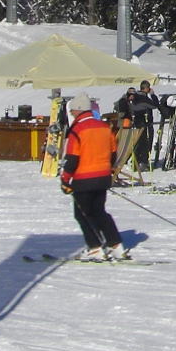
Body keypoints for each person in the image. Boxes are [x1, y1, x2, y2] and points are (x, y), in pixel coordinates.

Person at [60, 93, 129, 260]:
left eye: (73, 110)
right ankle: (116, 244)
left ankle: (95, 247)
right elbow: (113, 153)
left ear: (78, 110)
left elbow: (72, 158)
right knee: (99, 211)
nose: (71, 113)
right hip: (103, 176)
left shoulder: (77, 130)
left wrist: (65, 178)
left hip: (83, 178)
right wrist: (108, 170)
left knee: (83, 213)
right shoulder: (104, 127)